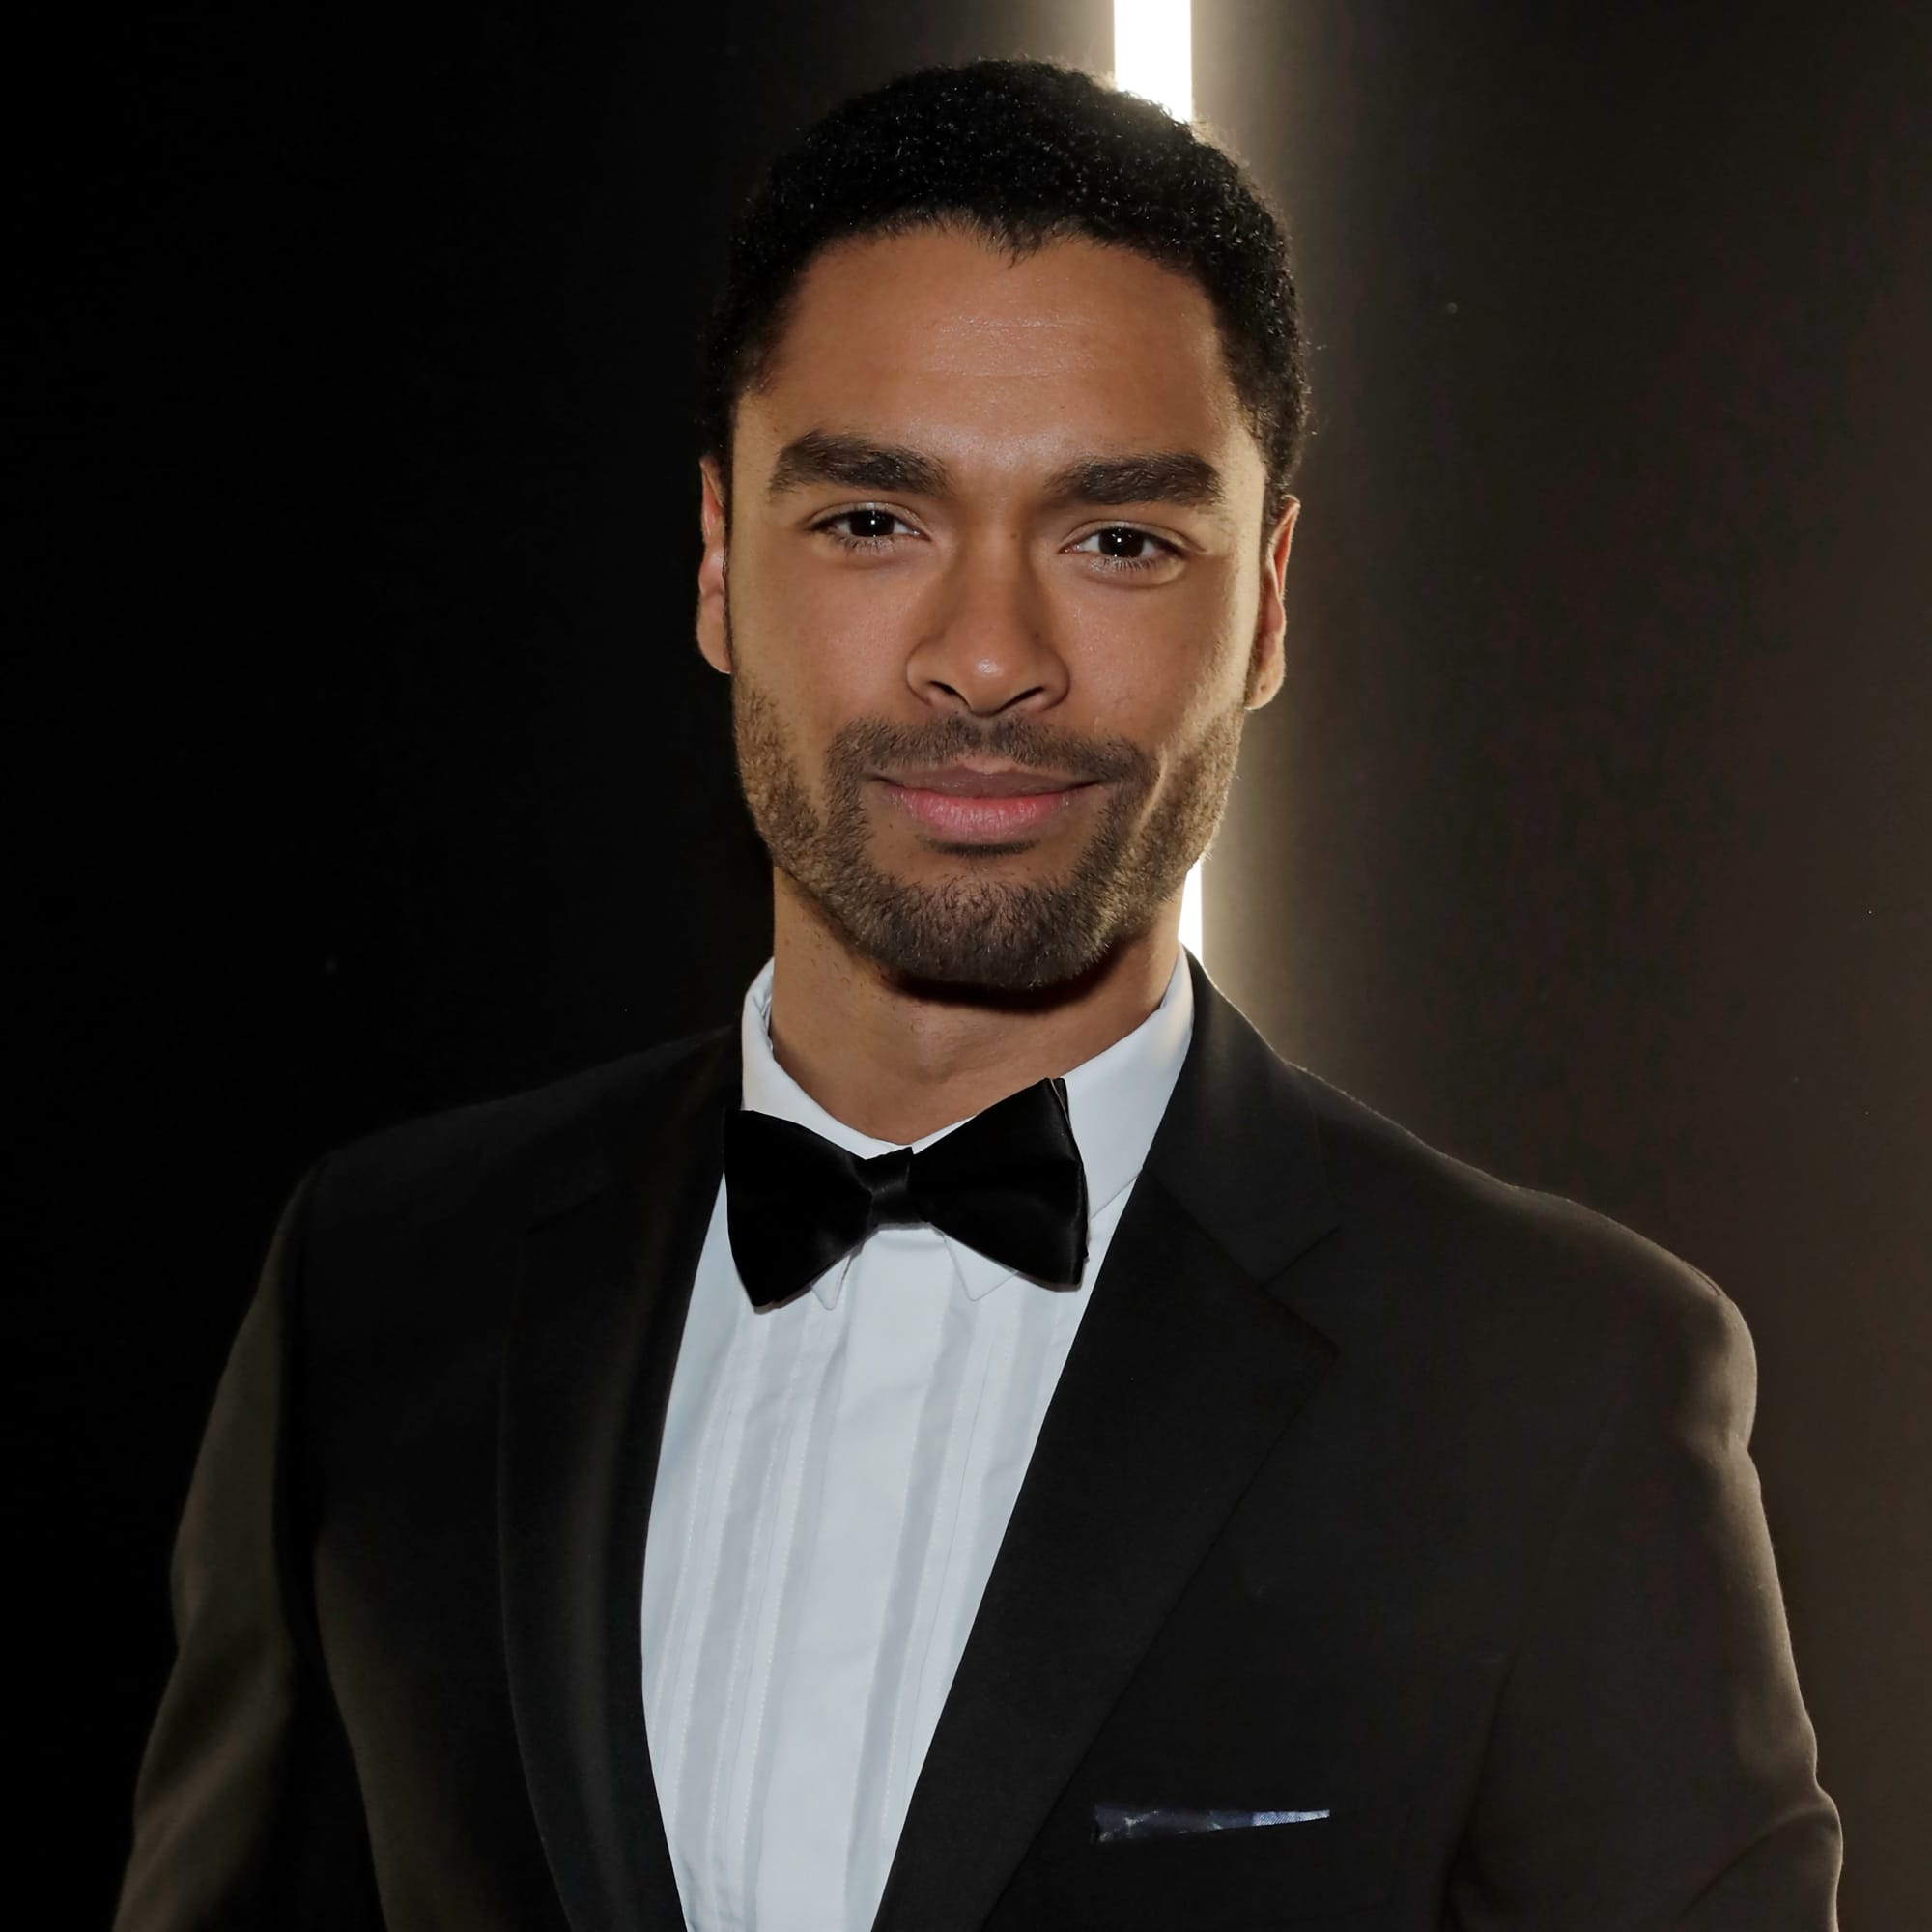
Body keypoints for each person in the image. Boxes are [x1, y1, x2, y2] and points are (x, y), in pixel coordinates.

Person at [115, 59, 1839, 1932]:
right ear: (718, 561)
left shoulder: (1559, 1386)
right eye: (875, 519)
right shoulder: (380, 1286)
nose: (990, 656)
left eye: (1119, 539)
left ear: (1265, 604)